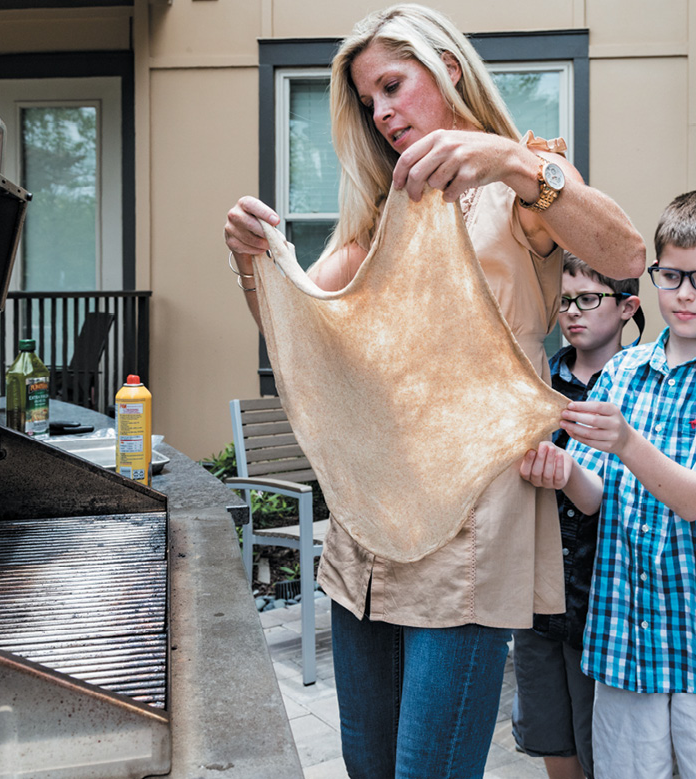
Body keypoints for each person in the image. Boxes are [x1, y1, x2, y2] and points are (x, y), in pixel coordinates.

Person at [224, 5, 645, 776]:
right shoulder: (378, 216)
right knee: (369, 765)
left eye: (392, 84)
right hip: (368, 530)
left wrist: (511, 161)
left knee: (429, 768)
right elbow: (303, 340)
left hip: (471, 522)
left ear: (447, 67)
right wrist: (256, 265)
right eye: (366, 100)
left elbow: (625, 249)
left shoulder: (526, 181)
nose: (381, 112)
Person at [519, 187, 696, 779]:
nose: (683, 294)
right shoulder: (624, 371)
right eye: (670, 275)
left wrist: (627, 442)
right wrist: (562, 474)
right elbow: (599, 499)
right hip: (626, 645)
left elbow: (695, 501)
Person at [511, 252, 641, 779]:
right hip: (537, 588)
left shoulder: (646, 382)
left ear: (629, 306)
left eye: (588, 299)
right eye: (564, 301)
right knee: (548, 729)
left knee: (601, 742)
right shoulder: (537, 378)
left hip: (606, 597)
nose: (573, 312)